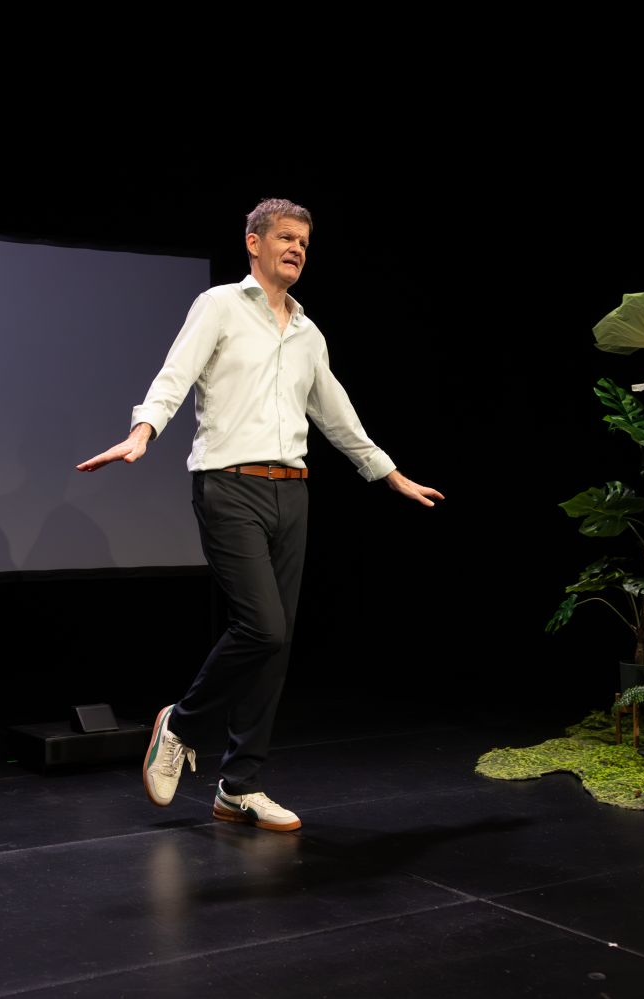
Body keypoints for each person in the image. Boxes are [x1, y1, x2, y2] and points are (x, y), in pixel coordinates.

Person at [76, 197, 444, 832]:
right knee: (262, 628)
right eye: (285, 237)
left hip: (292, 492)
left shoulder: (308, 332)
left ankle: (239, 786)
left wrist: (388, 473)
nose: (297, 248)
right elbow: (175, 374)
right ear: (254, 242)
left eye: (304, 241)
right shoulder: (219, 305)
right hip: (230, 486)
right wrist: (143, 432)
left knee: (277, 645)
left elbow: (336, 412)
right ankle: (180, 724)